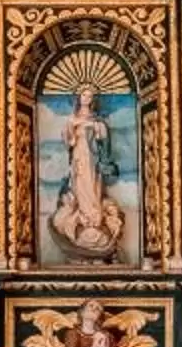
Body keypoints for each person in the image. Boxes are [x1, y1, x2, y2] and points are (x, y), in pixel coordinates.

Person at [50, 89, 126, 259]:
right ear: (79, 97)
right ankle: (84, 220)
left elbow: (103, 137)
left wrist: (96, 127)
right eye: (84, 95)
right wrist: (73, 128)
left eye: (90, 96)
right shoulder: (72, 119)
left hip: (93, 160)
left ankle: (94, 220)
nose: (87, 98)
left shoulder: (97, 120)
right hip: (79, 159)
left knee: (93, 188)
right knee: (80, 187)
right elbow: (68, 140)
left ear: (93, 100)